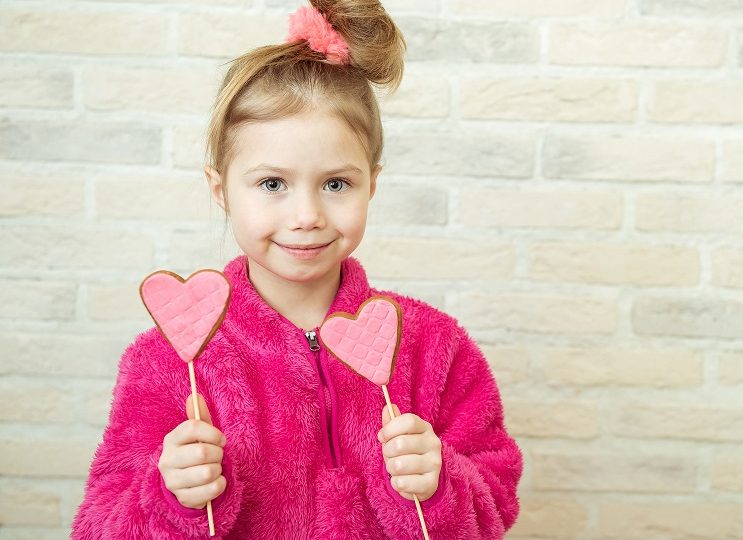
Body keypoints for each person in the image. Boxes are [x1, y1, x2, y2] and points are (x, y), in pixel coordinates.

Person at [71, 1, 523, 538]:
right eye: (272, 185)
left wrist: (441, 484)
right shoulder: (164, 361)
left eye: (336, 184)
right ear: (222, 190)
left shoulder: (435, 348)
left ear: (371, 185)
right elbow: (98, 528)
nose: (306, 217)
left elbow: (493, 510)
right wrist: (170, 497)